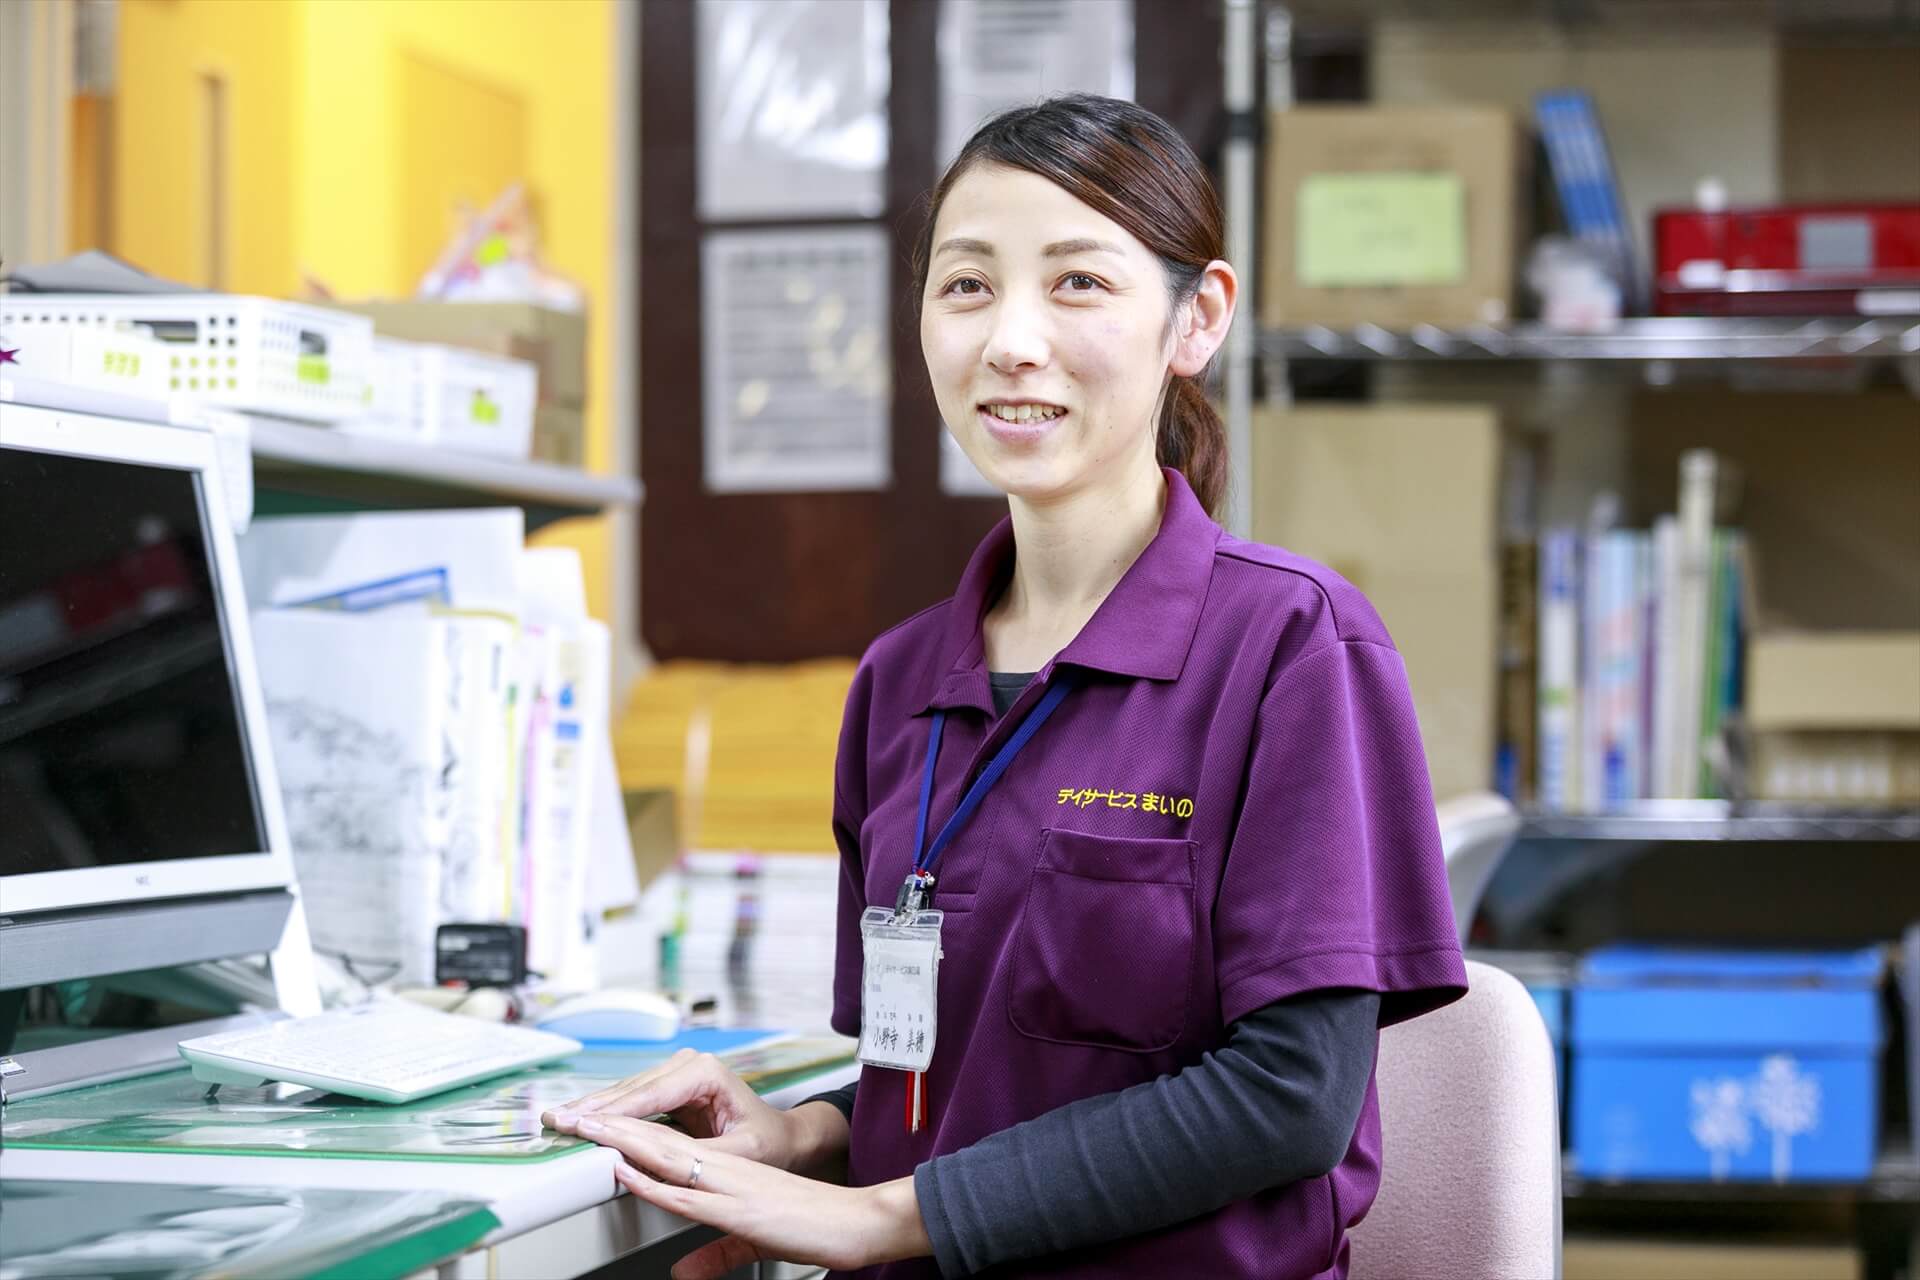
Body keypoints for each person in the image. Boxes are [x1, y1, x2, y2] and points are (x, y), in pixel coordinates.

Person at [543, 94, 1467, 1279]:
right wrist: (807, 1132)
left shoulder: (1293, 644)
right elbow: (935, 1066)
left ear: (1199, 318)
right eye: (968, 285)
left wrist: (888, 1218)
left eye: (1078, 283)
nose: (1011, 340)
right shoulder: (900, 683)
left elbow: (1290, 1095)